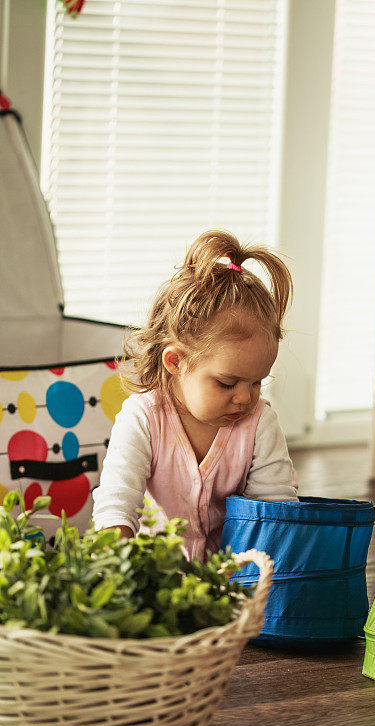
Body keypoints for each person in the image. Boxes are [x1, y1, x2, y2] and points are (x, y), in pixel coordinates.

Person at [92, 230, 298, 561]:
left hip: (233, 577)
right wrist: (117, 562)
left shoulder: (260, 423)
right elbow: (117, 499)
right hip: (156, 574)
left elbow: (274, 513)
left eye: (257, 382)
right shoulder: (143, 418)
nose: (245, 398)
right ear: (176, 362)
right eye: (227, 383)